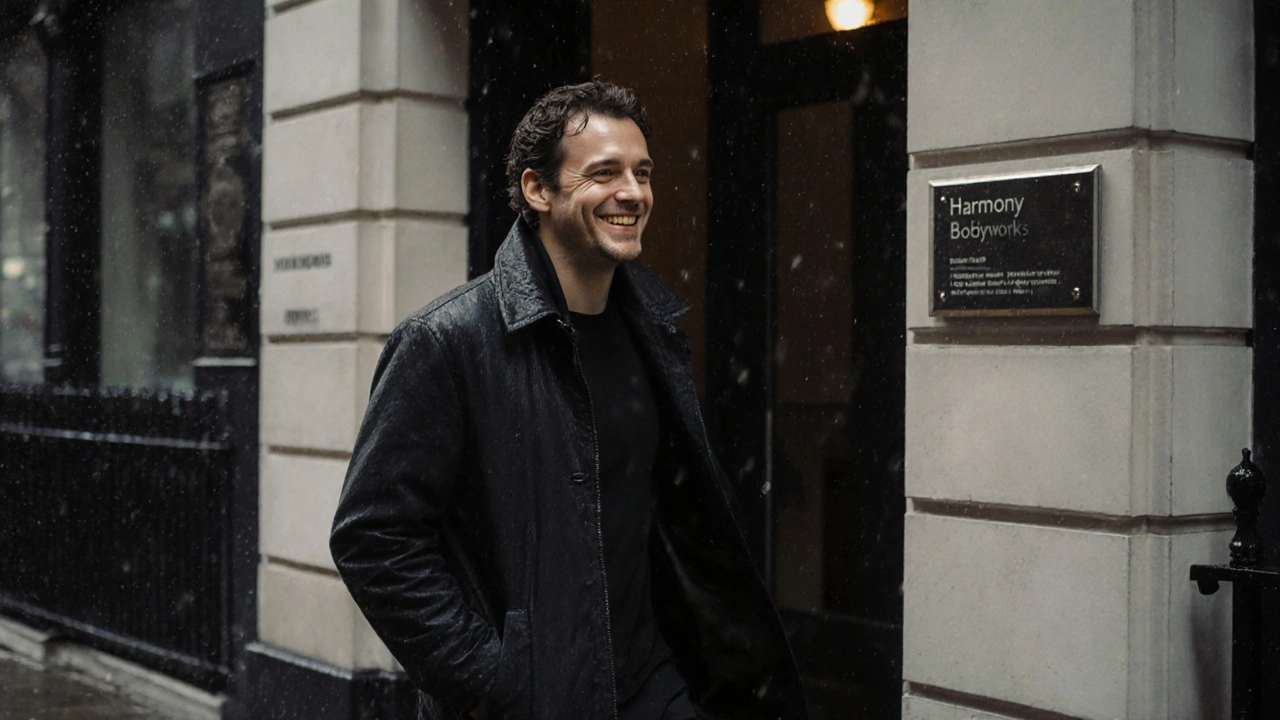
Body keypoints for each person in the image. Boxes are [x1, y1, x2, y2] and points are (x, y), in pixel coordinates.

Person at [330, 81, 807, 720]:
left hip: (654, 687)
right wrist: (486, 683)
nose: (633, 193)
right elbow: (372, 537)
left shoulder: (654, 334)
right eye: (604, 173)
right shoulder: (446, 340)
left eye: (642, 173)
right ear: (538, 190)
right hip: (534, 700)